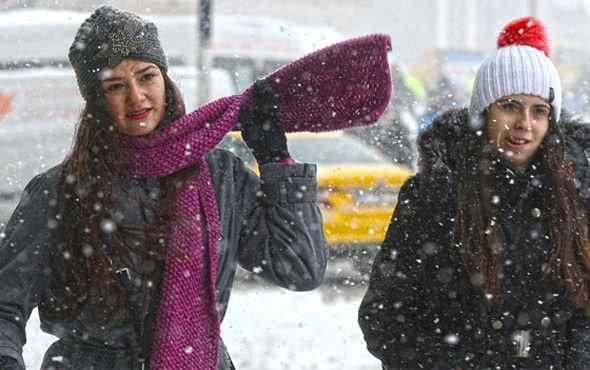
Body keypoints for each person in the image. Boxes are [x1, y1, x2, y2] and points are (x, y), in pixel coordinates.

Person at [0, 6, 328, 369]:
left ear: (165, 80)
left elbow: (299, 268)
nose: (137, 97)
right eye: (115, 86)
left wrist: (276, 160)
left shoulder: (220, 176)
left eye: (147, 76)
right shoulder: (58, 192)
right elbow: (4, 306)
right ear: (96, 100)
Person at [359, 16, 590, 369]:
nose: (524, 124)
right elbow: (385, 318)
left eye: (539, 111)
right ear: (484, 112)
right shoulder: (434, 195)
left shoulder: (576, 196)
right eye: (510, 105)